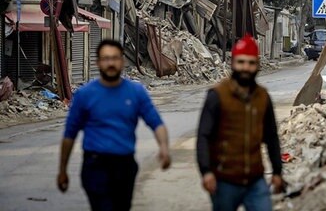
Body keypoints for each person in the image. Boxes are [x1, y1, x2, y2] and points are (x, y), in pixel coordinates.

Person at [57, 39, 171, 211]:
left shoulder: (136, 92)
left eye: (115, 58)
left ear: (122, 61)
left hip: (124, 167)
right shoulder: (84, 95)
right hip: (95, 166)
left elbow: (156, 123)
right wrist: (62, 170)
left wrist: (164, 147)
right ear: (98, 63)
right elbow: (69, 135)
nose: (110, 63)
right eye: (105, 58)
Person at [197, 34, 284, 211]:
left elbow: (271, 136)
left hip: (255, 179)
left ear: (257, 66)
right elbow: (204, 136)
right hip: (224, 180)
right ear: (233, 64)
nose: (246, 67)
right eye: (241, 62)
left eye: (251, 63)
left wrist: (277, 171)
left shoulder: (263, 97)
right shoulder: (217, 95)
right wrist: (206, 171)